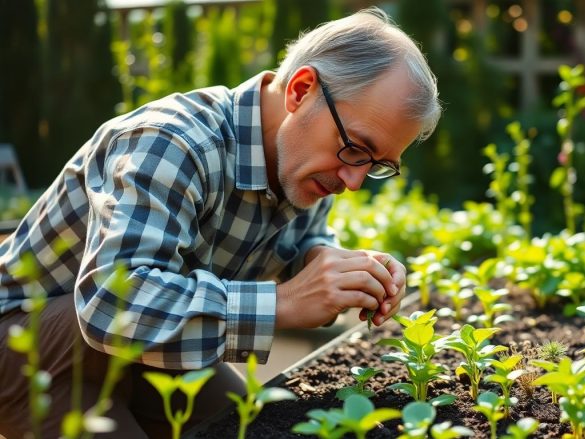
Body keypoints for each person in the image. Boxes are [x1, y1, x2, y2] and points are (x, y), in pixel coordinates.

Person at [0, 6, 440, 438]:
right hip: (36, 344)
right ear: (301, 90)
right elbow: (112, 303)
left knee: (254, 427)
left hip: (142, 347)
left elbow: (304, 239)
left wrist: (333, 266)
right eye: (356, 149)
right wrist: (284, 302)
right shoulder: (173, 142)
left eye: (377, 164)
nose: (354, 181)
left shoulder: (307, 164)